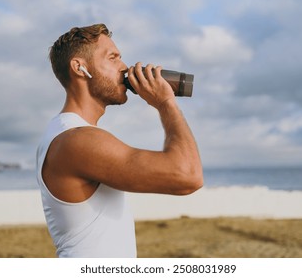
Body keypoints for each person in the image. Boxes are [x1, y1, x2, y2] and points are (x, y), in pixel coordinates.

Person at [36, 23, 203, 258]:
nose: (124, 67)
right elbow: (188, 175)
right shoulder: (77, 140)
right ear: (80, 67)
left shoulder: (66, 133)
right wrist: (165, 103)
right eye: (113, 58)